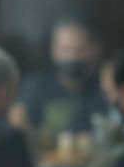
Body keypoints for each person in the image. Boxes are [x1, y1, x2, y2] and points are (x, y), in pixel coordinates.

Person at [11, 12, 110, 144]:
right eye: (65, 50)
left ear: (96, 49)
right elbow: (18, 125)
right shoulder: (34, 88)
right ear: (53, 51)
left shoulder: (107, 89)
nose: (72, 57)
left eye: (80, 50)